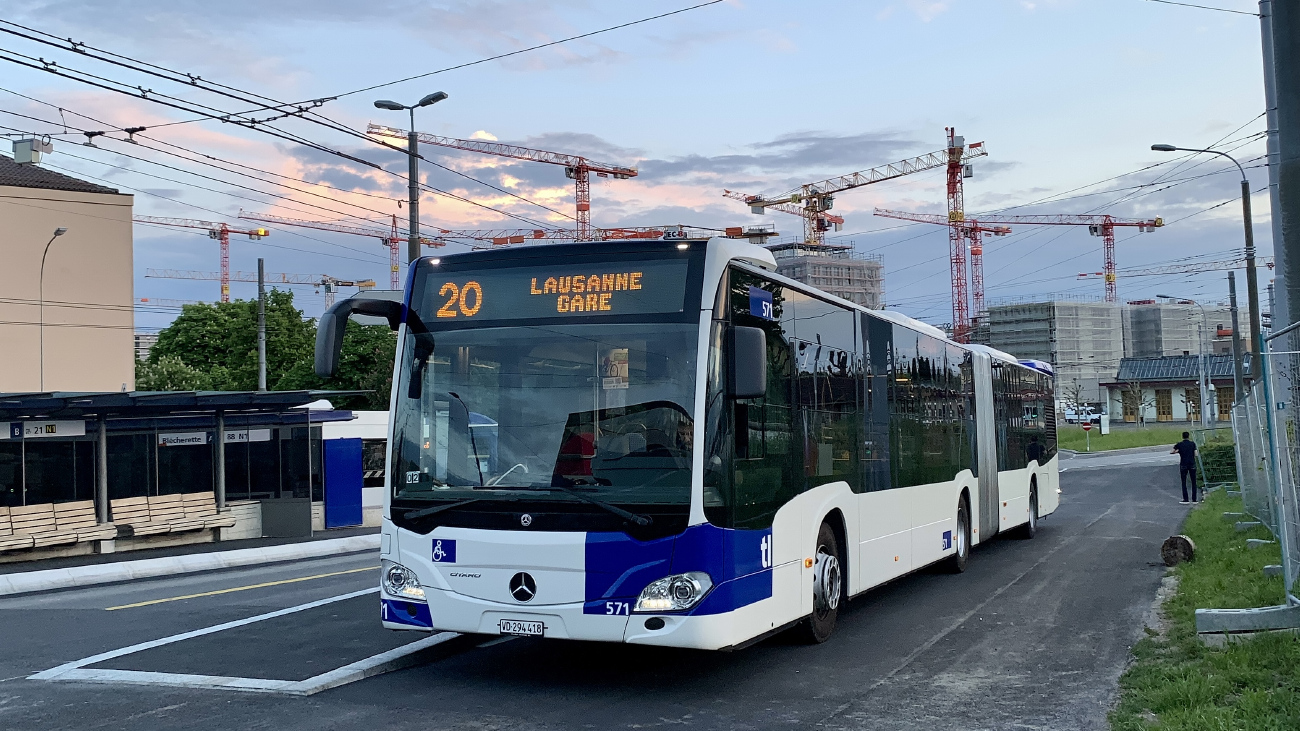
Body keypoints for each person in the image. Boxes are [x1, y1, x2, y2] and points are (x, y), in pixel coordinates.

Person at [1171, 432, 1199, 504]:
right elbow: (1196, 454)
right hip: (1192, 464)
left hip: (1183, 464)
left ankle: (1186, 499)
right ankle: (1194, 500)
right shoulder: (1192, 444)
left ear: (1182, 437)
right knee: (1193, 482)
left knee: (1184, 482)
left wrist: (1178, 451)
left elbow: (1172, 452)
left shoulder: (1179, 444)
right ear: (1188, 436)